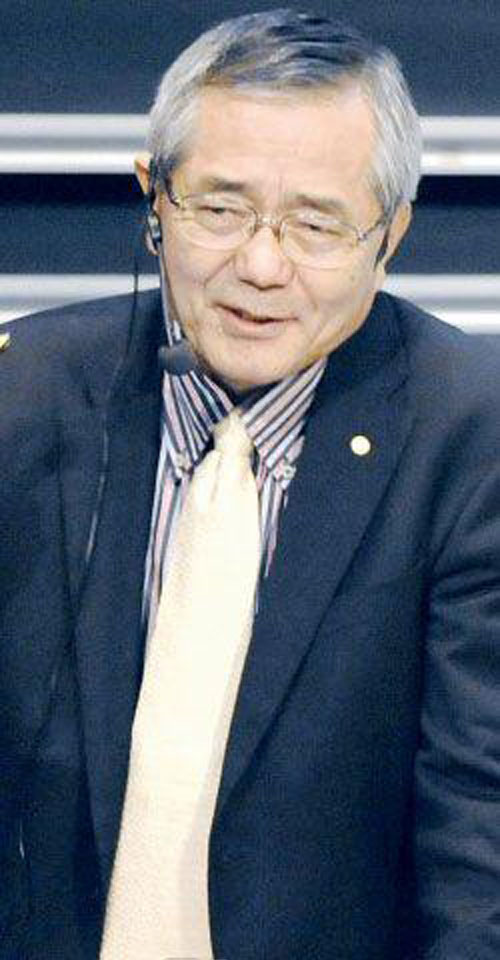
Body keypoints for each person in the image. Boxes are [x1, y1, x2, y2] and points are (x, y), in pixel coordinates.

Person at [1, 8, 500, 959]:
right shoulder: (23, 397)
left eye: (317, 224)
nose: (261, 267)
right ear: (153, 200)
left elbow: (481, 845)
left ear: (390, 235)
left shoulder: (472, 435)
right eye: (220, 211)